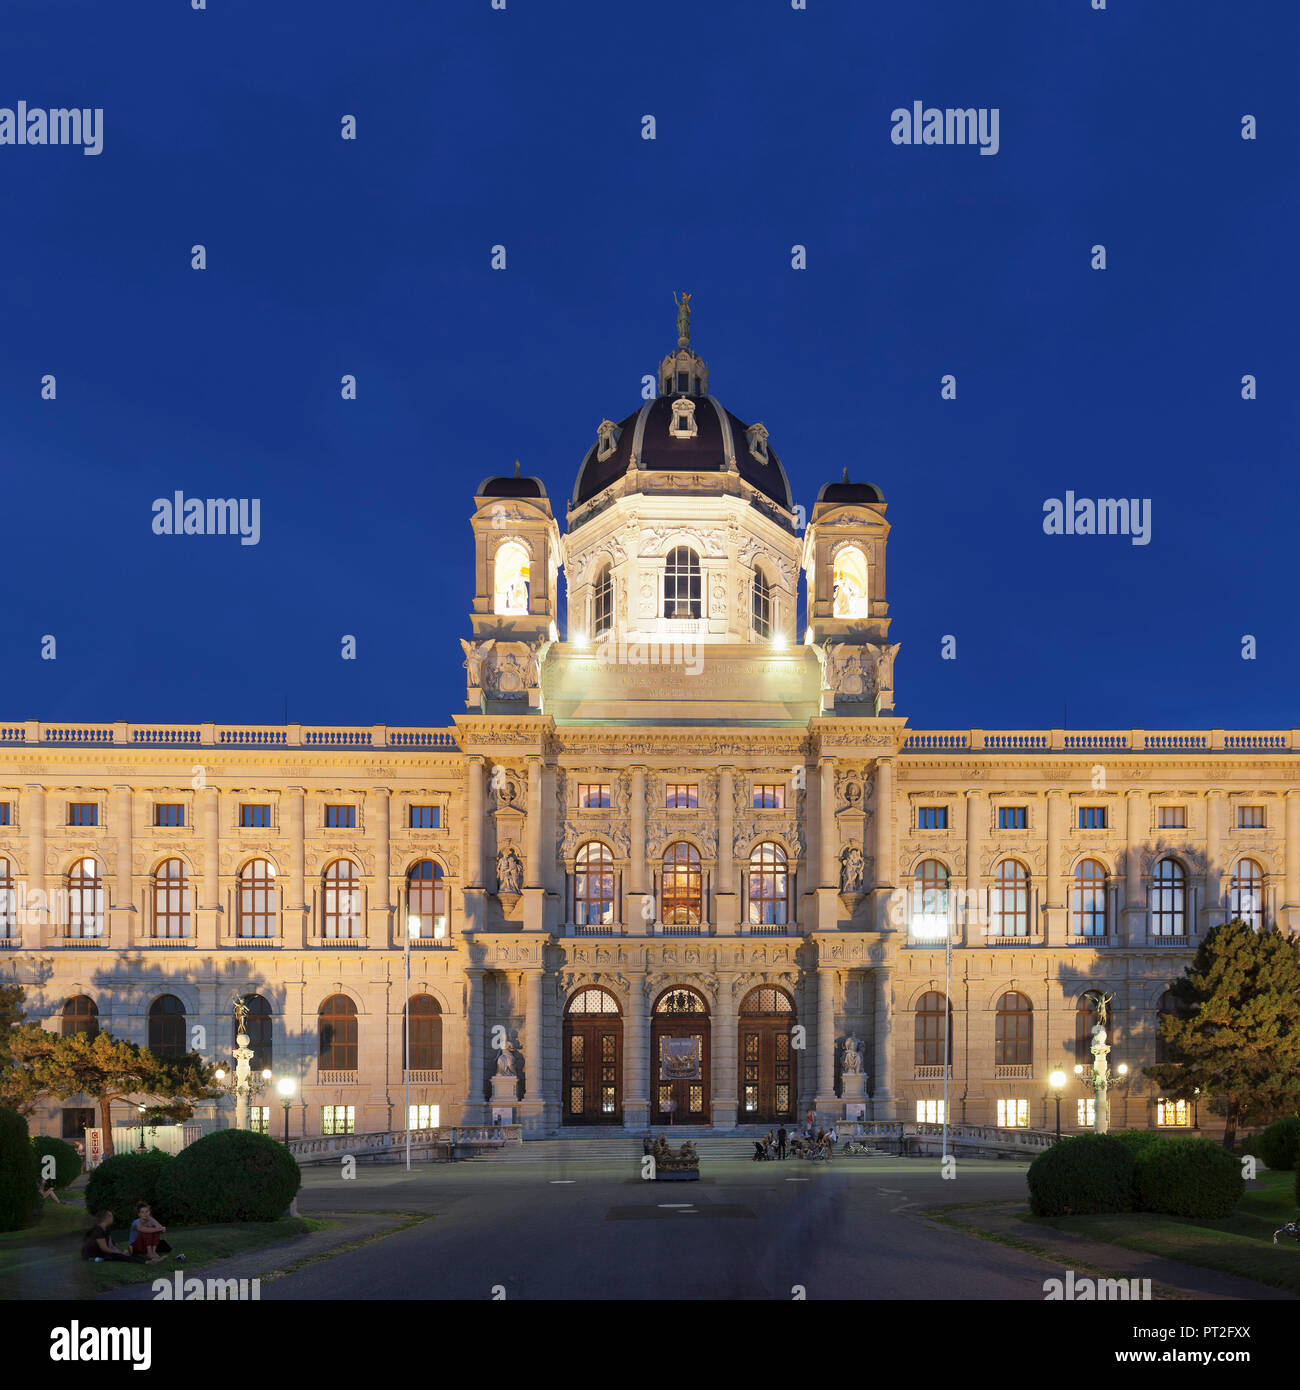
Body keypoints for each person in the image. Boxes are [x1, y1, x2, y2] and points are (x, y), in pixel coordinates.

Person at [81, 1211, 146, 1263]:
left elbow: (110, 1245)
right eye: (111, 1216)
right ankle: (145, 1262)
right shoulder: (97, 1230)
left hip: (102, 1251)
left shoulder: (107, 1228)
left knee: (125, 1253)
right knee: (119, 1256)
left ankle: (148, 1259)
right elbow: (105, 1249)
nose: (113, 1218)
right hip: (93, 1254)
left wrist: (120, 1251)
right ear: (106, 1218)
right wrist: (119, 1252)